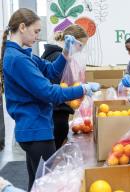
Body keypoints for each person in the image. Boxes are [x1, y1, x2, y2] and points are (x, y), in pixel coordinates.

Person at [0, 8, 98, 191]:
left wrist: (65, 55)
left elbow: (52, 71)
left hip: (34, 128)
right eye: (36, 31)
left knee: (37, 183)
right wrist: (82, 89)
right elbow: (49, 93)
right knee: (48, 185)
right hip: (36, 130)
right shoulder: (17, 59)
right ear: (22, 27)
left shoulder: (24, 55)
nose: (38, 36)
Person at [41, 24, 88, 150]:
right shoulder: (57, 57)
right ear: (73, 41)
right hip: (56, 113)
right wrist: (80, 90)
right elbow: (58, 87)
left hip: (56, 111)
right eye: (81, 46)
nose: (81, 50)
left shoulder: (53, 54)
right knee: (52, 155)